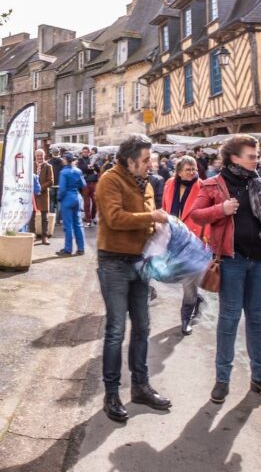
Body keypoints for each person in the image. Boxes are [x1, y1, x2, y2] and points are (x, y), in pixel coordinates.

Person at [190, 134, 261, 405]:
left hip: (260, 260)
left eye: (257, 156)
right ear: (234, 158)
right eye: (251, 156)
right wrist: (220, 209)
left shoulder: (259, 185)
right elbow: (196, 215)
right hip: (231, 261)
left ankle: (260, 376)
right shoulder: (212, 184)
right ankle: (222, 379)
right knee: (229, 319)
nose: (257, 160)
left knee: (257, 318)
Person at [93, 134, 171, 424]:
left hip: (141, 262)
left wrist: (161, 233)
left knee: (143, 326)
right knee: (115, 329)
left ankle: (140, 386)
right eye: (146, 159)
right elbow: (114, 218)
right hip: (113, 261)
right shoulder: (110, 180)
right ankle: (111, 393)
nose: (151, 164)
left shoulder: (146, 183)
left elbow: (146, 220)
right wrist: (152, 218)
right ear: (130, 161)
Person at [163, 155, 207, 336]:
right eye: (188, 170)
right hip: (173, 237)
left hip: (194, 239)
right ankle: (196, 299)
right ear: (179, 171)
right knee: (180, 276)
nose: (192, 173)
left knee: (188, 281)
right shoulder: (170, 184)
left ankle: (186, 317)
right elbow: (165, 207)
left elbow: (208, 215)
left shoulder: (203, 186)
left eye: (194, 169)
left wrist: (207, 238)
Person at [56, 152, 86, 257]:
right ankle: (81, 248)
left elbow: (62, 189)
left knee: (68, 225)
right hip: (77, 197)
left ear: (66, 159)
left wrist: (59, 198)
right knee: (78, 224)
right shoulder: (78, 171)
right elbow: (83, 184)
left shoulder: (63, 172)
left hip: (67, 199)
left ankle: (68, 249)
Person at [34, 149, 54, 245]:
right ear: (35, 156)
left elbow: (51, 181)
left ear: (44, 156)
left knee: (44, 217)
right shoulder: (31, 166)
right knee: (31, 216)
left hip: (43, 194)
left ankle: (44, 237)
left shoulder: (48, 166)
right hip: (33, 194)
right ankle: (32, 235)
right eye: (37, 155)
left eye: (41, 155)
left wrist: (40, 188)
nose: (39, 157)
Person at [77, 146, 98, 226]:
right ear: (82, 153)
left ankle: (93, 216)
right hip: (85, 183)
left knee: (95, 200)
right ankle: (88, 219)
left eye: (86, 152)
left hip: (93, 182)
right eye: (83, 152)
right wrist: (90, 168)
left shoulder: (92, 159)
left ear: (89, 152)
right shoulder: (80, 160)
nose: (85, 153)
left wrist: (93, 167)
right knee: (87, 203)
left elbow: (97, 169)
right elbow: (82, 169)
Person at [48, 147, 65, 213]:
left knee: (51, 201)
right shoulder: (63, 161)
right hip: (60, 184)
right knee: (59, 202)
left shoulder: (49, 162)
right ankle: (58, 220)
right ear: (59, 153)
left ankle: (52, 218)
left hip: (52, 184)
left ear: (52, 153)